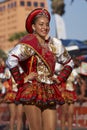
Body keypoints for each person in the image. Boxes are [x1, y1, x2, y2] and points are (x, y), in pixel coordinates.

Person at [6, 8, 74, 130]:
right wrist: (23, 79)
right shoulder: (28, 43)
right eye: (41, 24)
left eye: (47, 25)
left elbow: (69, 62)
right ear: (33, 26)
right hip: (32, 88)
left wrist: (59, 79)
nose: (45, 27)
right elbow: (11, 59)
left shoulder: (55, 43)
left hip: (49, 89)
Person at [0, 58, 23, 130]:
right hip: (12, 94)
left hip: (20, 94)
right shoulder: (8, 70)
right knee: (13, 115)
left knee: (19, 116)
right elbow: (4, 79)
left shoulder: (22, 69)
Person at [60, 57, 80, 130]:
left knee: (71, 113)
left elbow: (77, 82)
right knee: (63, 113)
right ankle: (62, 128)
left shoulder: (75, 72)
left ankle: (70, 129)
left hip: (72, 92)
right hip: (65, 92)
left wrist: (78, 80)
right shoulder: (63, 70)